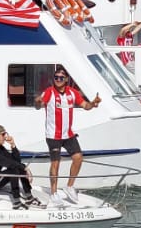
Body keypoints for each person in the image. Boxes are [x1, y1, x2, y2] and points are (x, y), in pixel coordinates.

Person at [37, 68, 102, 202]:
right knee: (55, 163)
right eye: (56, 77)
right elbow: (39, 105)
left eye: (61, 78)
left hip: (68, 134)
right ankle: (54, 193)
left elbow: (85, 106)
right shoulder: (49, 92)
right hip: (53, 135)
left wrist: (93, 104)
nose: (58, 80)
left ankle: (69, 186)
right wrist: (38, 101)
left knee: (78, 158)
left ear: (66, 79)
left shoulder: (73, 93)